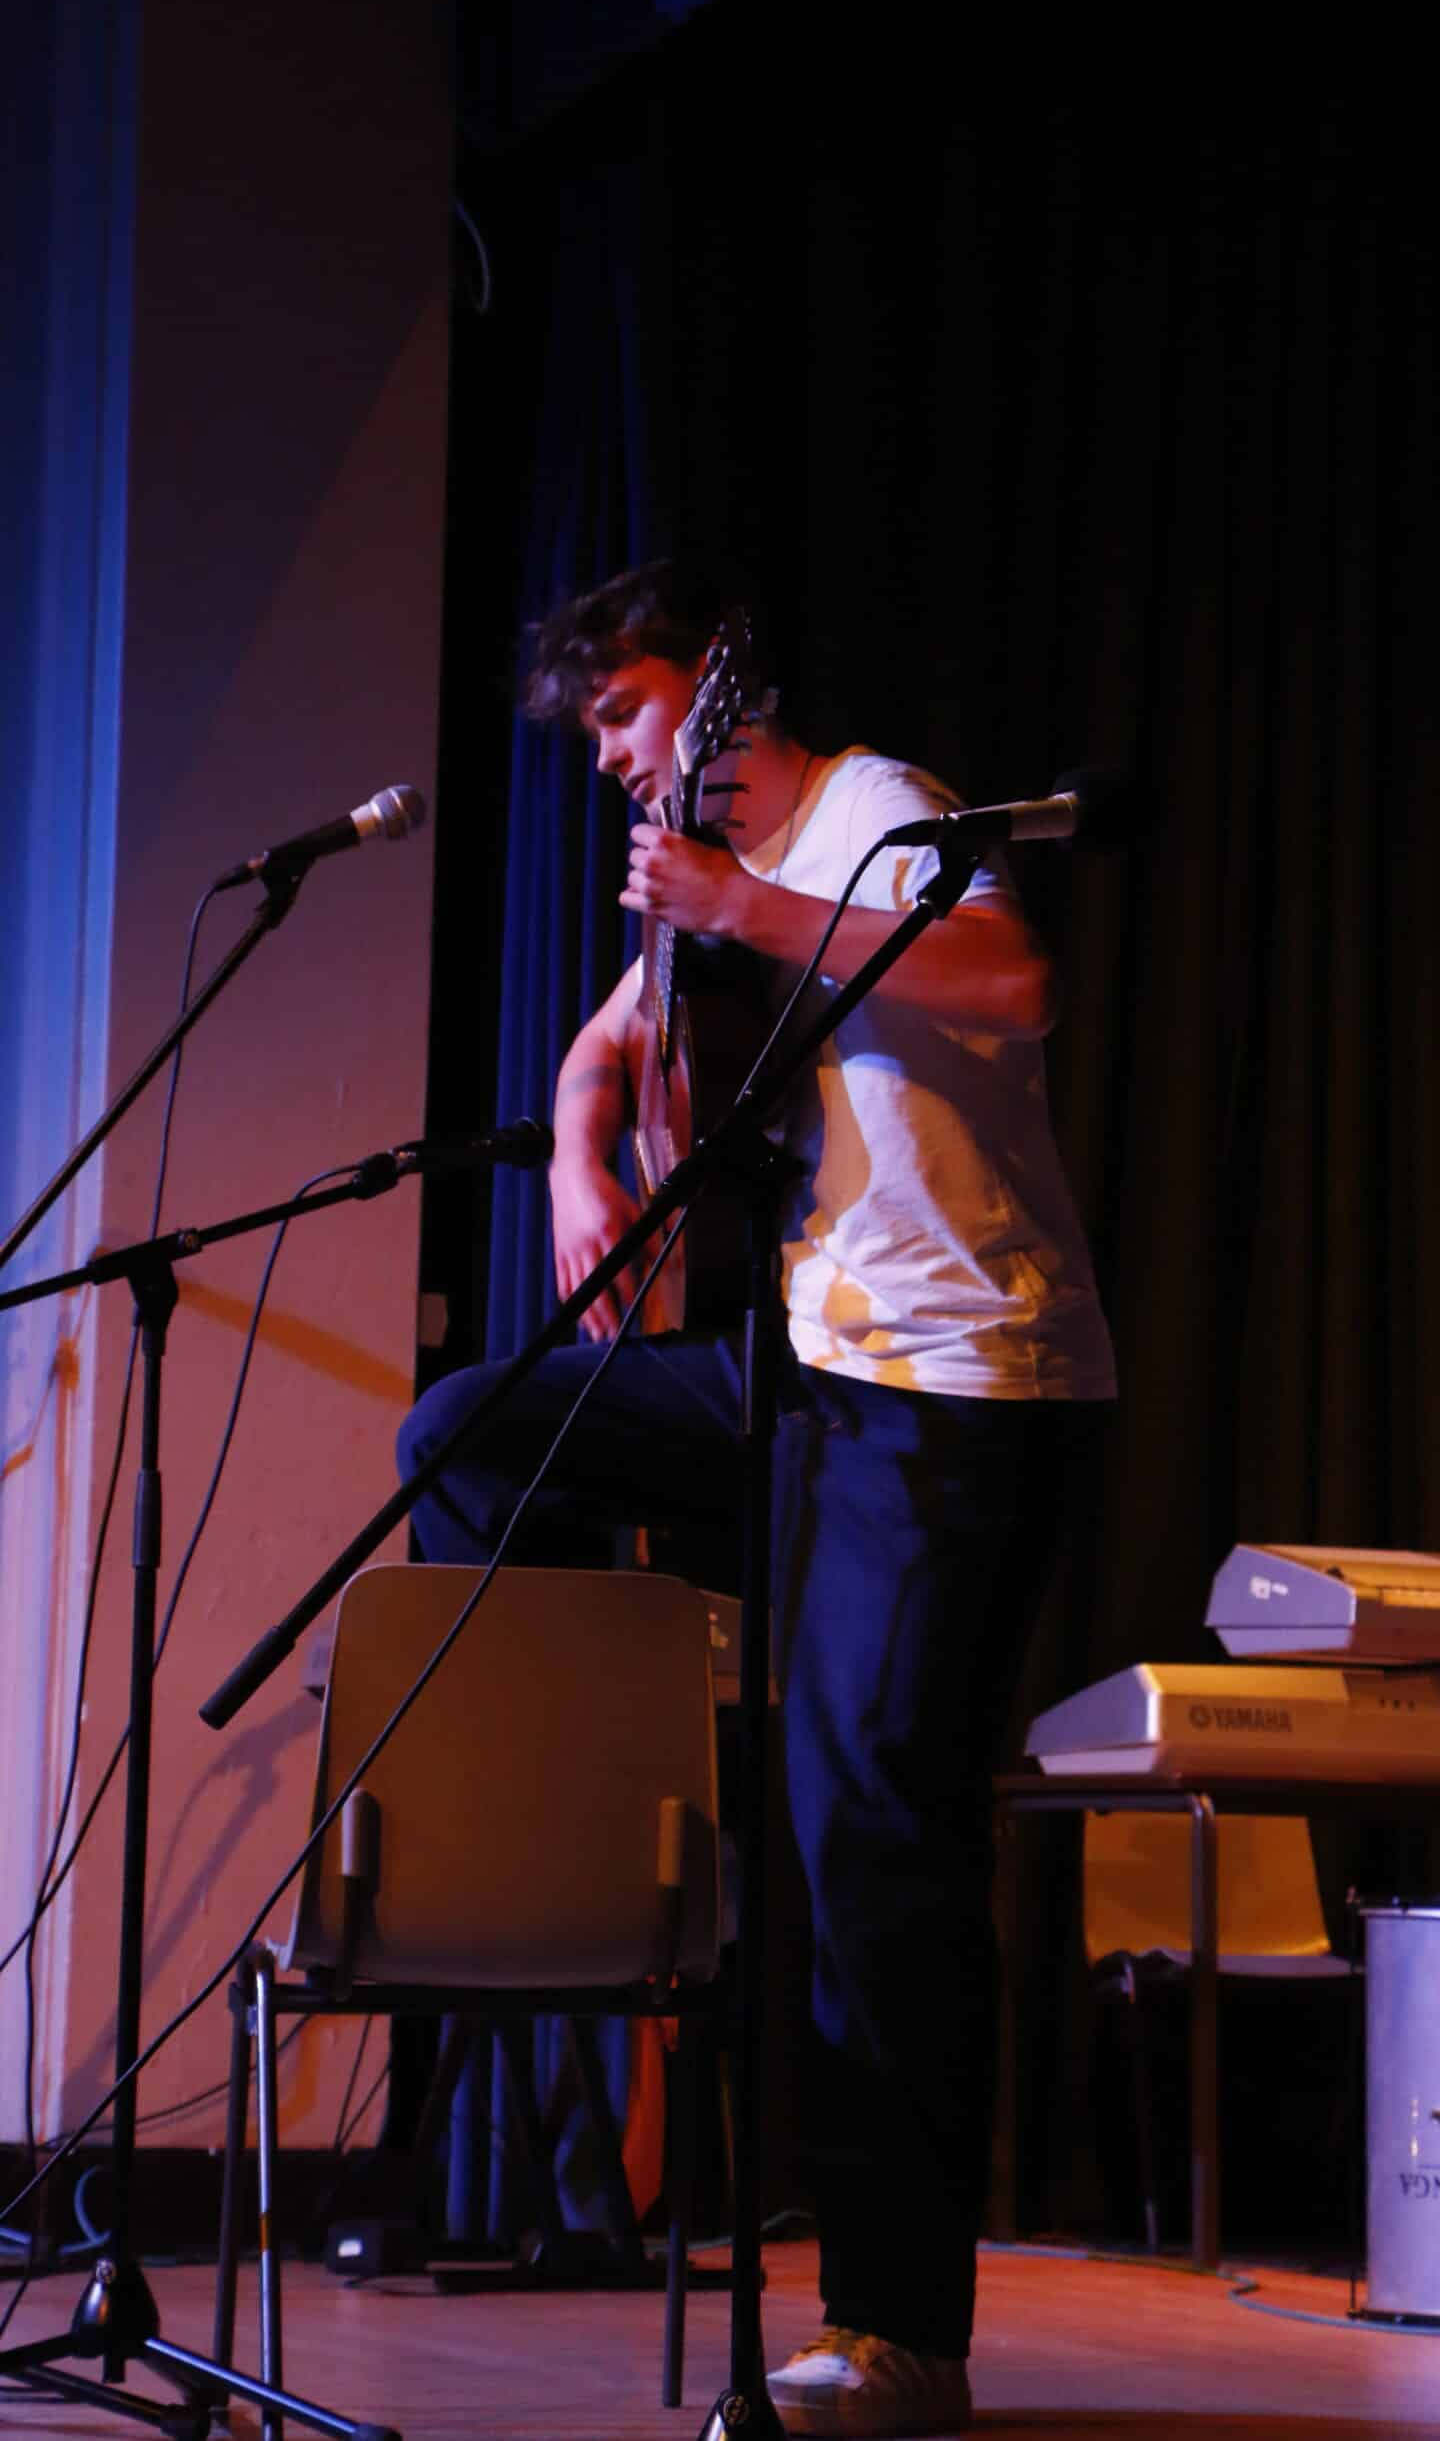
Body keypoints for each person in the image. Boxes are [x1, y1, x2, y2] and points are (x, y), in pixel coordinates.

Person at [397, 559, 1116, 2438]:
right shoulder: (690, 904)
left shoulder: (879, 812)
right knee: (473, 1427)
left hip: (957, 1386)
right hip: (800, 1375)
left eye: (630, 718)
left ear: (717, 689)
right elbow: (611, 1050)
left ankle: (901, 2335)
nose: (619, 766)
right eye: (601, 741)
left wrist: (741, 899)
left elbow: (1013, 977)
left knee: (873, 1824)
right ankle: (596, 1785)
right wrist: (575, 1149)